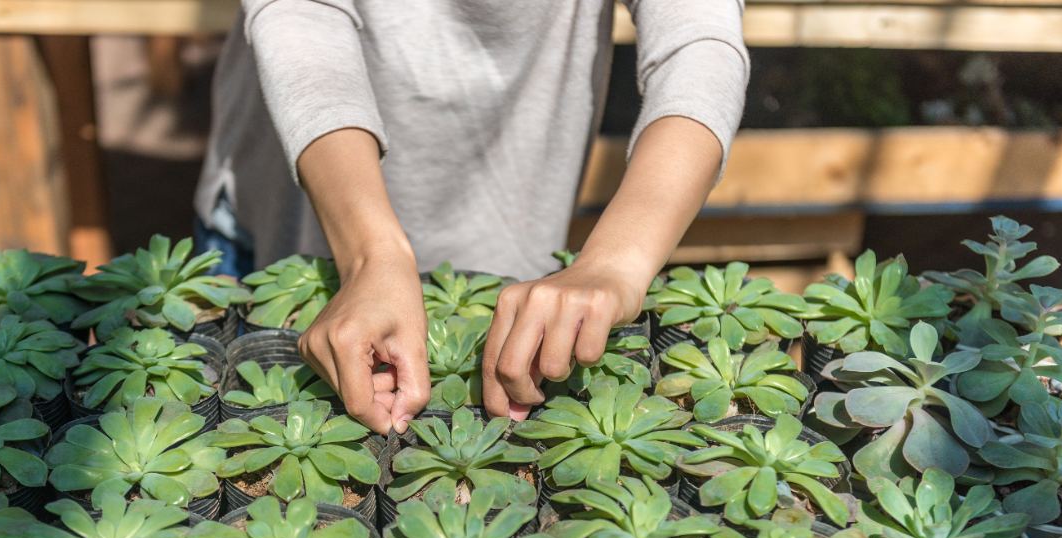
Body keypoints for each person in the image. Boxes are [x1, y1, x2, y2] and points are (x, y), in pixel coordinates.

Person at [194, 0, 749, 434]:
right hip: (294, 216)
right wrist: (371, 255)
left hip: (509, 235)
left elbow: (698, 42)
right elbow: (304, 16)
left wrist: (617, 261)